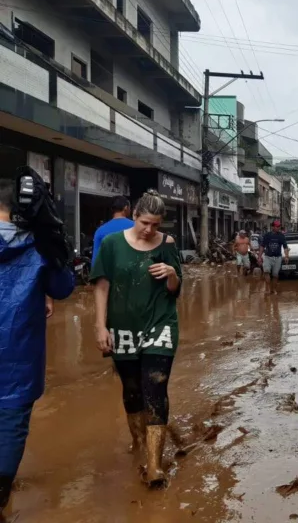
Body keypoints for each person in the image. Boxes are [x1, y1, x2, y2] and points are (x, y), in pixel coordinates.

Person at [90, 190, 181, 488]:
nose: (149, 230)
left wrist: (171, 273)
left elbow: (175, 288)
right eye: (144, 222)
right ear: (134, 216)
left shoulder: (168, 245)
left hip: (160, 325)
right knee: (132, 391)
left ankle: (154, 465)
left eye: (155, 224)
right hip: (123, 328)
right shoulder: (112, 244)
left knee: (155, 387)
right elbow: (101, 286)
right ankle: (139, 442)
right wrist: (100, 326)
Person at [0, 179, 75, 511]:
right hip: (20, 358)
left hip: (20, 356)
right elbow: (62, 289)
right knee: (11, 428)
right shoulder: (40, 247)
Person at [92, 195, 133, 268]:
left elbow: (95, 262)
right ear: (126, 208)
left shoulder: (100, 230)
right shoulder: (135, 227)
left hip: (108, 275)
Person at [259, 220, 290, 293]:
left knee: (275, 275)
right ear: (272, 227)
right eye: (277, 226)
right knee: (266, 272)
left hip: (277, 258)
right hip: (267, 257)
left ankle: (273, 289)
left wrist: (286, 256)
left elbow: (285, 247)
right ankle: (268, 288)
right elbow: (262, 246)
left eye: (279, 226)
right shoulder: (267, 235)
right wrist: (259, 257)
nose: (278, 228)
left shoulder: (281, 236)